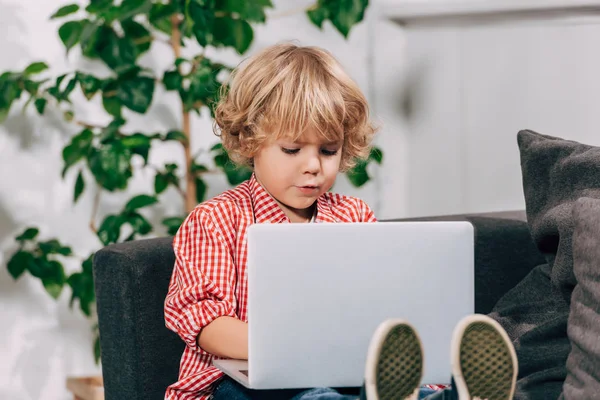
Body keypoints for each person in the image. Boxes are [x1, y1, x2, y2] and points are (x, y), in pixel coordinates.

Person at [163, 42, 518, 400]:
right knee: (300, 394)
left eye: (328, 150)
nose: (314, 165)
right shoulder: (215, 220)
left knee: (365, 387)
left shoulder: (353, 216)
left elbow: (377, 309)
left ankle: (449, 395)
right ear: (250, 140)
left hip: (341, 373)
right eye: (292, 149)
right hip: (236, 382)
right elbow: (205, 324)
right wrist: (296, 348)